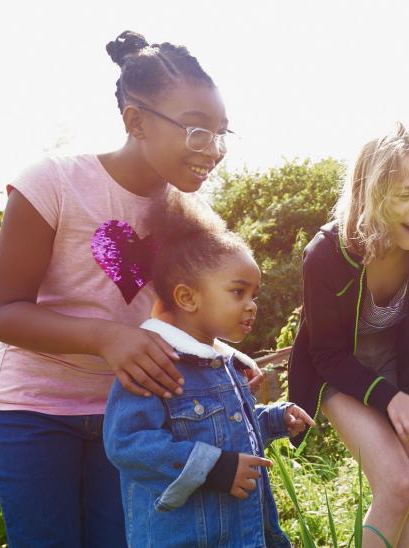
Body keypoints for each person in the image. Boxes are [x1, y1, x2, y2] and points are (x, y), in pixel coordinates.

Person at [0, 30, 229, 547]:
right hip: (33, 415)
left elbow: (181, 322)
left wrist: (227, 364)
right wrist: (106, 337)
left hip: (132, 421)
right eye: (197, 131)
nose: (215, 150)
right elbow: (3, 313)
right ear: (135, 121)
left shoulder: (196, 218)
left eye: (222, 134)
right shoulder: (52, 183)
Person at [103, 191, 313, 547]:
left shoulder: (221, 362)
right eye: (238, 292)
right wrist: (214, 467)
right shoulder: (156, 363)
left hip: (242, 533)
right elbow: (127, 443)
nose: (251, 306)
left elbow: (223, 431)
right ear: (188, 297)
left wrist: (275, 420)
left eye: (254, 295)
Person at [287, 123, 409, 548]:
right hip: (339, 372)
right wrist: (390, 399)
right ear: (372, 194)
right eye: (405, 194)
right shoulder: (325, 254)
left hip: (394, 367)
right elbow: (326, 353)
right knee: (398, 484)